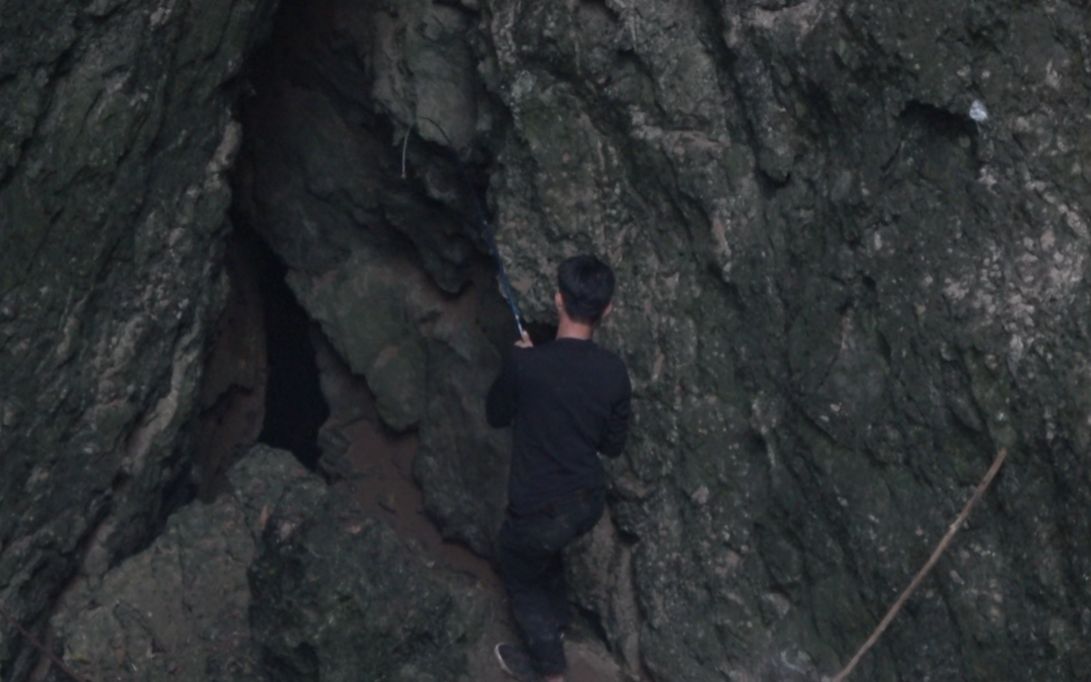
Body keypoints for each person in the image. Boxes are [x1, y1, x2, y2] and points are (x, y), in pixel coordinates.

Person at [486, 254, 632, 682]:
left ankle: (552, 671)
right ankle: (560, 623)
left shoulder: (526, 365)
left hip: (536, 509)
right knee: (546, 550)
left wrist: (518, 365)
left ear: (557, 300)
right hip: (586, 503)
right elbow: (612, 445)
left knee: (519, 568)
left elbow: (495, 414)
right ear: (607, 310)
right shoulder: (614, 373)